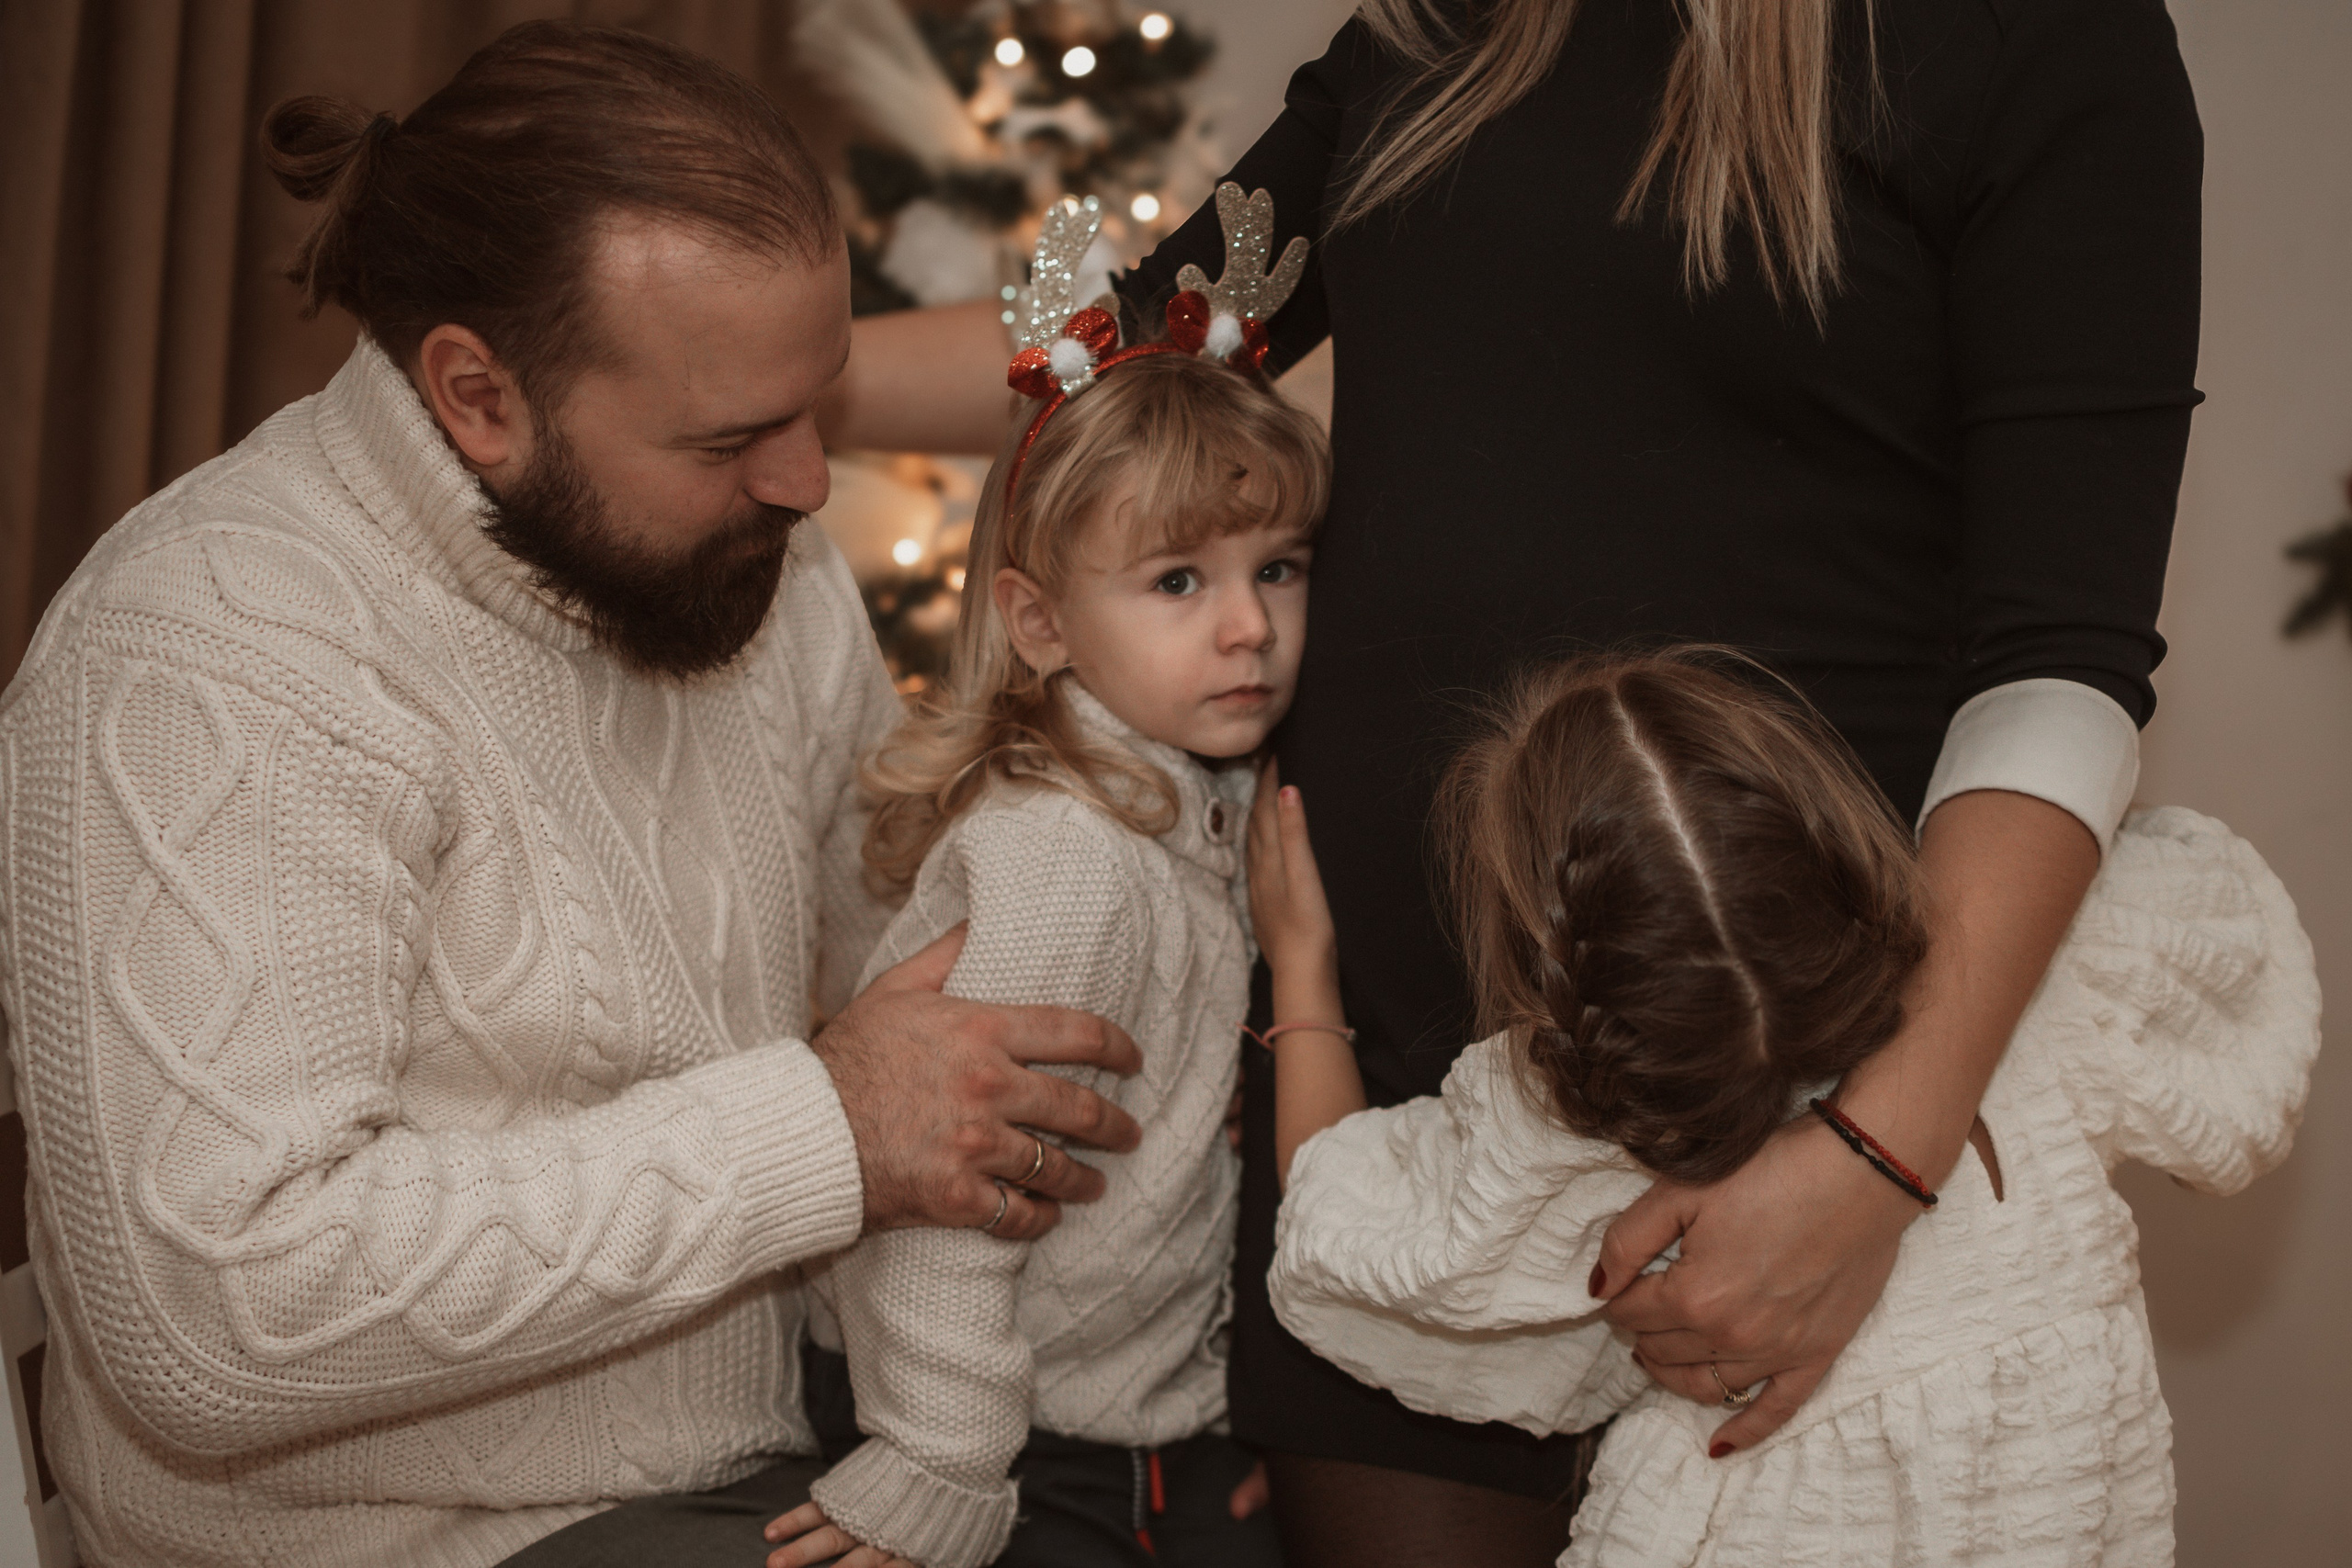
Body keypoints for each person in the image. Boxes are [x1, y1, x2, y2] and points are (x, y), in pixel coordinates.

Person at [820, 1, 2203, 1556]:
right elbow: (1133, 344)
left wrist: (1875, 1151)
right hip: (1394, 1091)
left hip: (1784, 1073)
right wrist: (761, 372)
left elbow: (2064, 667)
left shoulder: (2031, 39)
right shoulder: (1436, 29)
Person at [0, 25, 1153, 1568]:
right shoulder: (212, 655)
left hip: (769, 1457)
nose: (812, 481)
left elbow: (916, 982)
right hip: (402, 1540)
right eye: (736, 436)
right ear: (478, 392)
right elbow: (225, 1314)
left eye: (822, 399)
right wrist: (831, 1124)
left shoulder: (754, 562)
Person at [1248, 649, 2318, 1565]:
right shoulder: (2051, 979)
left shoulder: (1567, 1141)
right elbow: (2246, 1051)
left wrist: (1301, 969)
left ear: (1549, 983)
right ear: (1845, 839)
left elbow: (1346, 1228)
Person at [761, 194, 1325, 1568]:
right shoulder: (1064, 859)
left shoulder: (1213, 792)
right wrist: (939, 1459)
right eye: (1180, 578)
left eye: (1281, 567)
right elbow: (951, 1186)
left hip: (1146, 1418)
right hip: (992, 1427)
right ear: (1040, 621)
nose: (1249, 623)